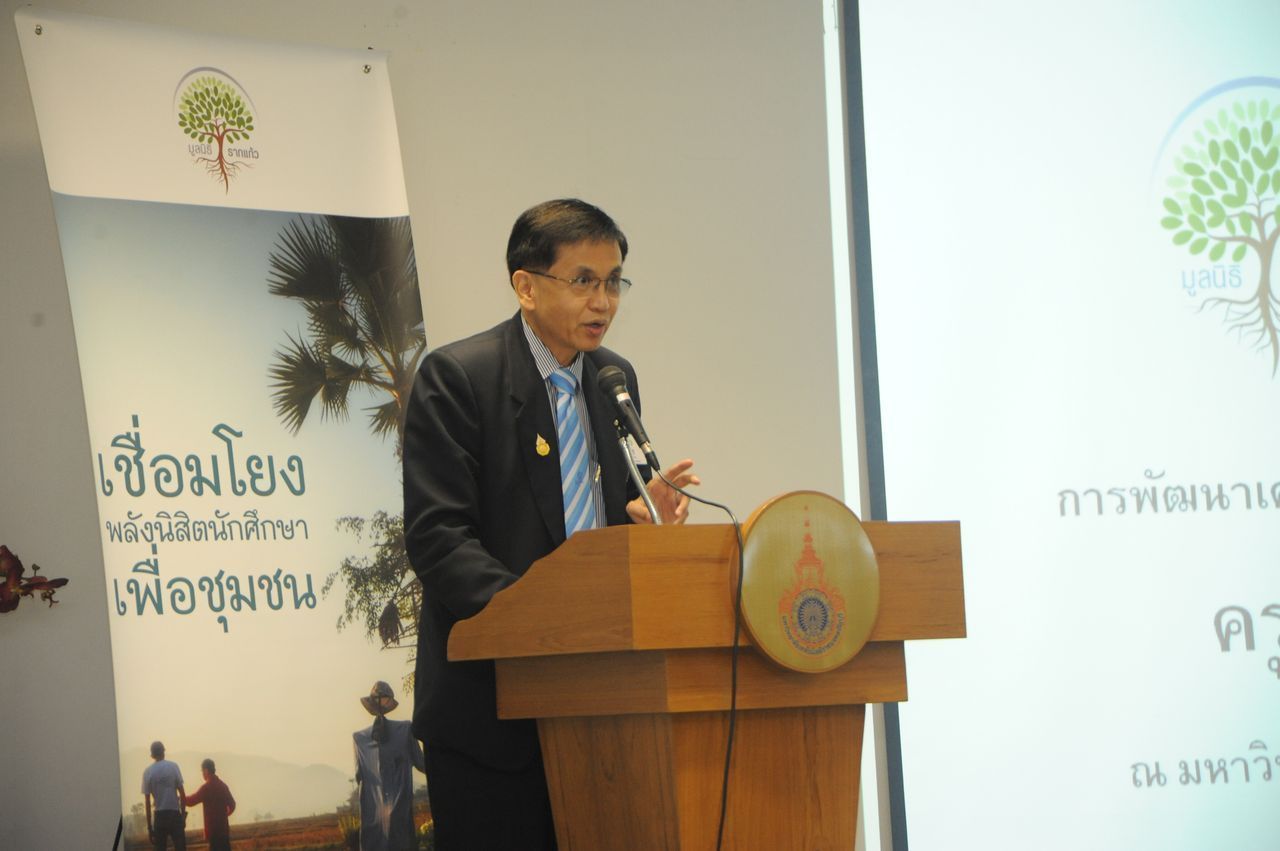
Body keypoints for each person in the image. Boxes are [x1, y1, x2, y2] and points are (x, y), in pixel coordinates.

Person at [403, 198, 699, 849]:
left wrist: (644, 529)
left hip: (603, 711)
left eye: (614, 281)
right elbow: (438, 538)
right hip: (491, 717)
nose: (603, 301)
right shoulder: (459, 378)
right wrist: (543, 624)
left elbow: (596, 538)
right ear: (527, 286)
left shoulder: (613, 379)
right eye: (584, 280)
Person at [353, 680, 426, 851]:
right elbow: (422, 764)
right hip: (396, 813)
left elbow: (359, 777)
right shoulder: (405, 730)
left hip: (375, 815)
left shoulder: (359, 738)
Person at [182, 758, 236, 851]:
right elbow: (232, 804)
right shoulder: (223, 786)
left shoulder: (206, 788)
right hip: (223, 829)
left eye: (202, 771)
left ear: (206, 770)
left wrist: (180, 798)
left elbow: (191, 801)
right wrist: (225, 815)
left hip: (213, 830)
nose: (202, 774)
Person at [141, 740, 186, 851]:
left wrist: (149, 827)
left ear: (152, 755)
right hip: (174, 814)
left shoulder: (147, 772)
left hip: (159, 817)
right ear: (163, 752)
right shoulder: (173, 767)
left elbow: (147, 802)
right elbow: (182, 794)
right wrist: (183, 816)